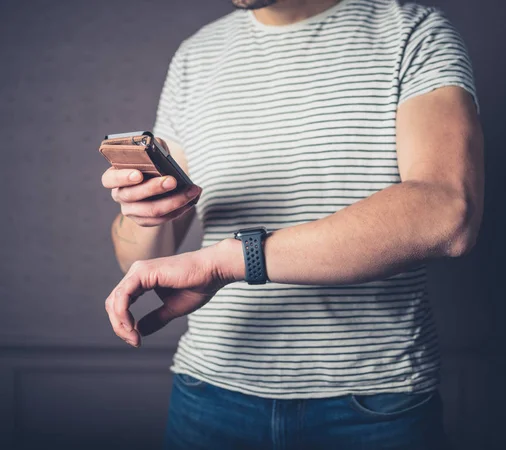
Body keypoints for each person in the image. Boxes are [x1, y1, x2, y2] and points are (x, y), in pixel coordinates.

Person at [101, 0, 484, 448]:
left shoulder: (413, 30)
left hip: (373, 402)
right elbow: (143, 256)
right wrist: (142, 212)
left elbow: (446, 211)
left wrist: (230, 261)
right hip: (209, 392)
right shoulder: (196, 54)